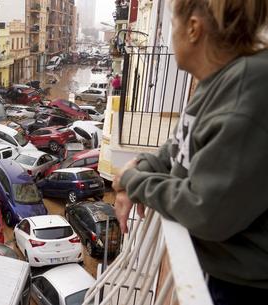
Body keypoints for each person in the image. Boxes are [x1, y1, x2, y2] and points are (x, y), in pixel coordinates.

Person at [111, 1, 268, 305]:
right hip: (223, 275)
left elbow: (205, 209)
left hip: (244, 290)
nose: (171, 34)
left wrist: (134, 181)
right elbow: (177, 148)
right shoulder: (219, 82)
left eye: (172, 24)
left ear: (194, 29)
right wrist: (142, 165)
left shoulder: (247, 89)